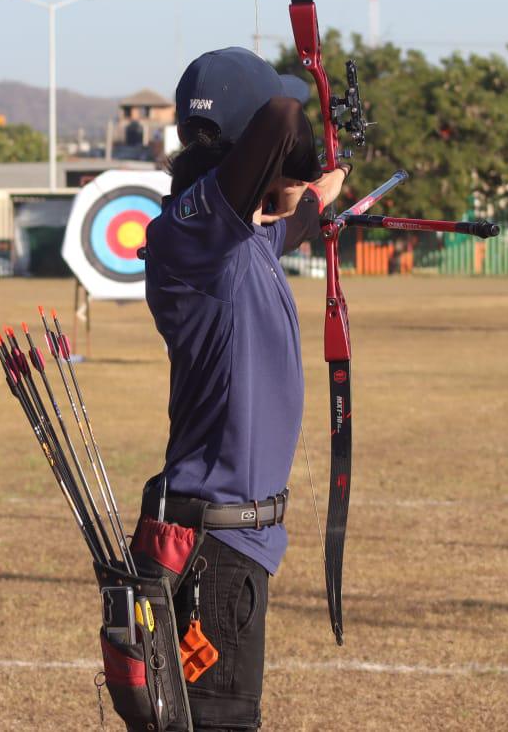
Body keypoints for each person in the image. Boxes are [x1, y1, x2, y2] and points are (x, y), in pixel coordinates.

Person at [133, 46, 348, 731]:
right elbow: (284, 115)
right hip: (208, 549)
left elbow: (299, 216)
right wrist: (301, 162)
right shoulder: (191, 234)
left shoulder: (242, 238)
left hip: (231, 543)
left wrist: (312, 191)